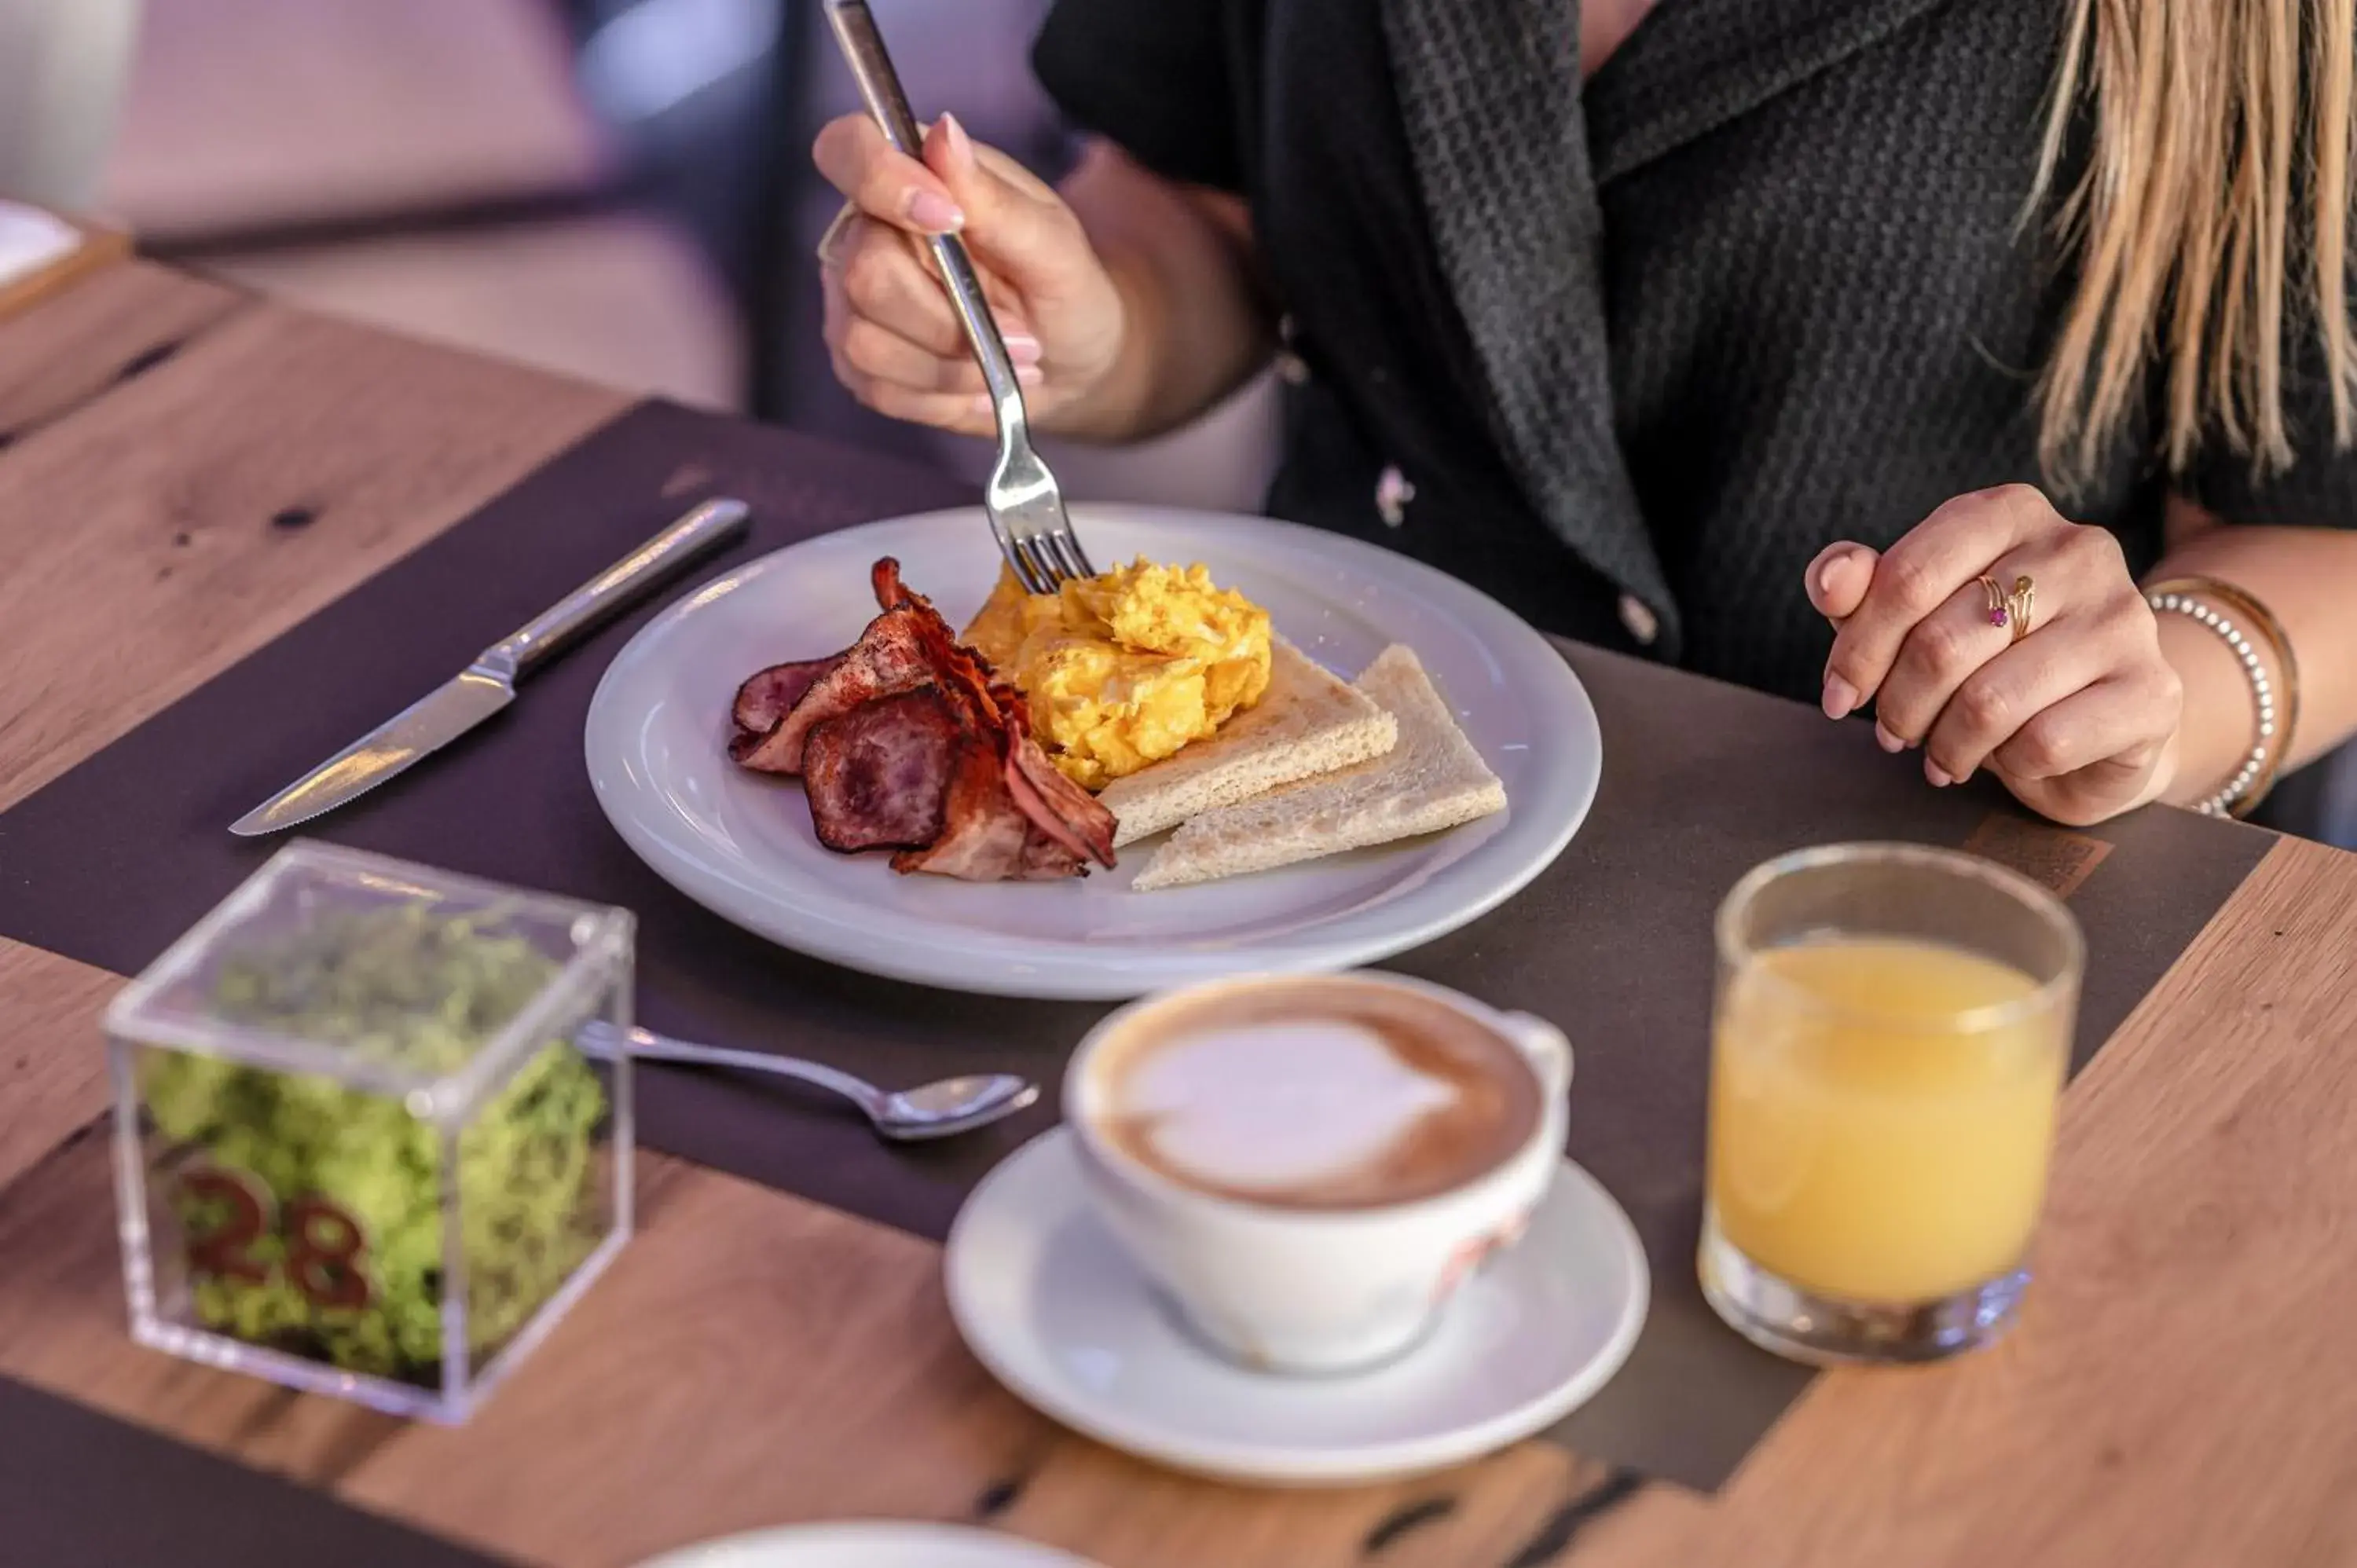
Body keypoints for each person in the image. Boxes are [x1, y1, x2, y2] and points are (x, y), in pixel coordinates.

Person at [809, 0, 2357, 830]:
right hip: (1311, 829)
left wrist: (2149, 707)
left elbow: (2318, 530)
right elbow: (1210, 215)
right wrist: (1076, 323)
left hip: (1913, 922)